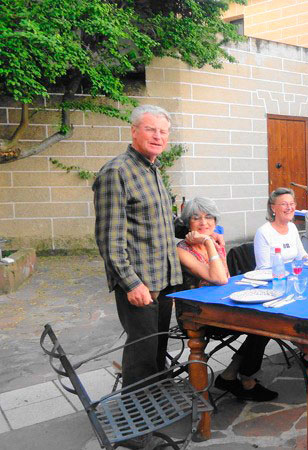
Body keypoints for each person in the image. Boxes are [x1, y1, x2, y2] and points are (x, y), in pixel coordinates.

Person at [93, 105, 182, 448]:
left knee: (157, 350)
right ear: (134, 132)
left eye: (163, 131)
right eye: (151, 130)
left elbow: (158, 225)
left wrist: (187, 231)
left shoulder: (154, 170)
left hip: (163, 278)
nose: (158, 136)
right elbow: (109, 239)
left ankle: (152, 412)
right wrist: (131, 283)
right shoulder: (117, 172)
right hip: (141, 283)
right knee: (141, 357)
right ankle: (133, 432)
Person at [175, 197, 277, 402]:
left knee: (268, 319)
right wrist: (208, 241)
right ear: (189, 224)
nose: (204, 222)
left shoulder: (215, 242)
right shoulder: (182, 250)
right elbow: (220, 278)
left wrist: (213, 241)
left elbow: (226, 280)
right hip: (197, 314)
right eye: (196, 218)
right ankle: (245, 380)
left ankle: (233, 375)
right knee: (261, 323)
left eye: (209, 217)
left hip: (222, 306)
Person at [254, 187, 308, 269]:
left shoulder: (292, 227)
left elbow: (301, 255)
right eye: (284, 204)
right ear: (273, 208)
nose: (289, 208)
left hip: (292, 274)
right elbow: (263, 268)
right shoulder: (263, 232)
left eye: (292, 203)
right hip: (273, 277)